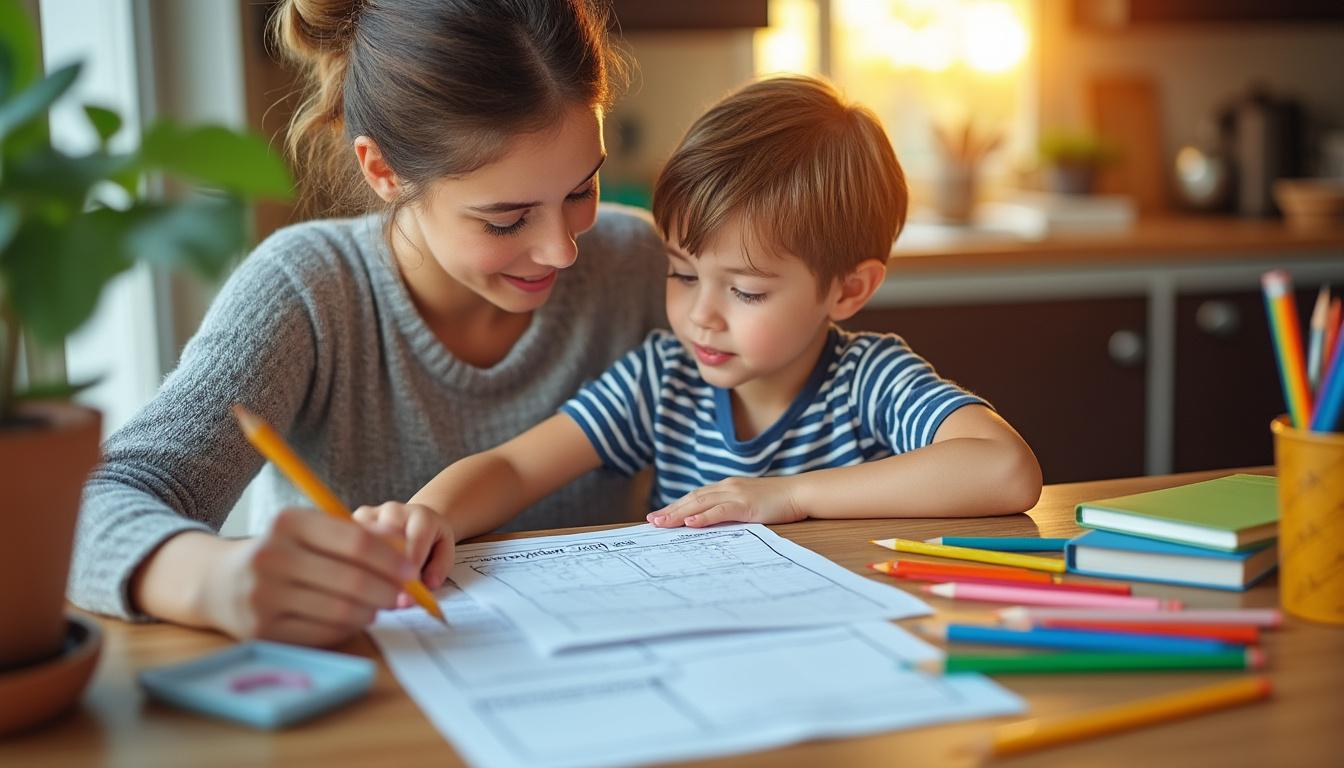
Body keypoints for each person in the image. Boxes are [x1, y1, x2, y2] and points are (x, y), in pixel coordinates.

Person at [69, 0, 667, 646]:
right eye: (506, 219)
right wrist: (216, 579)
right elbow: (91, 509)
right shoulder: (306, 292)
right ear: (383, 170)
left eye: (582, 190)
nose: (562, 250)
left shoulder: (641, 266)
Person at [355, 75, 1044, 597]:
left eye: (745, 290)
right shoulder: (665, 379)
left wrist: (790, 494)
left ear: (848, 290)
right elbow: (513, 467)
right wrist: (429, 517)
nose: (702, 316)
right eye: (682, 274)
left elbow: (1003, 468)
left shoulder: (868, 380)